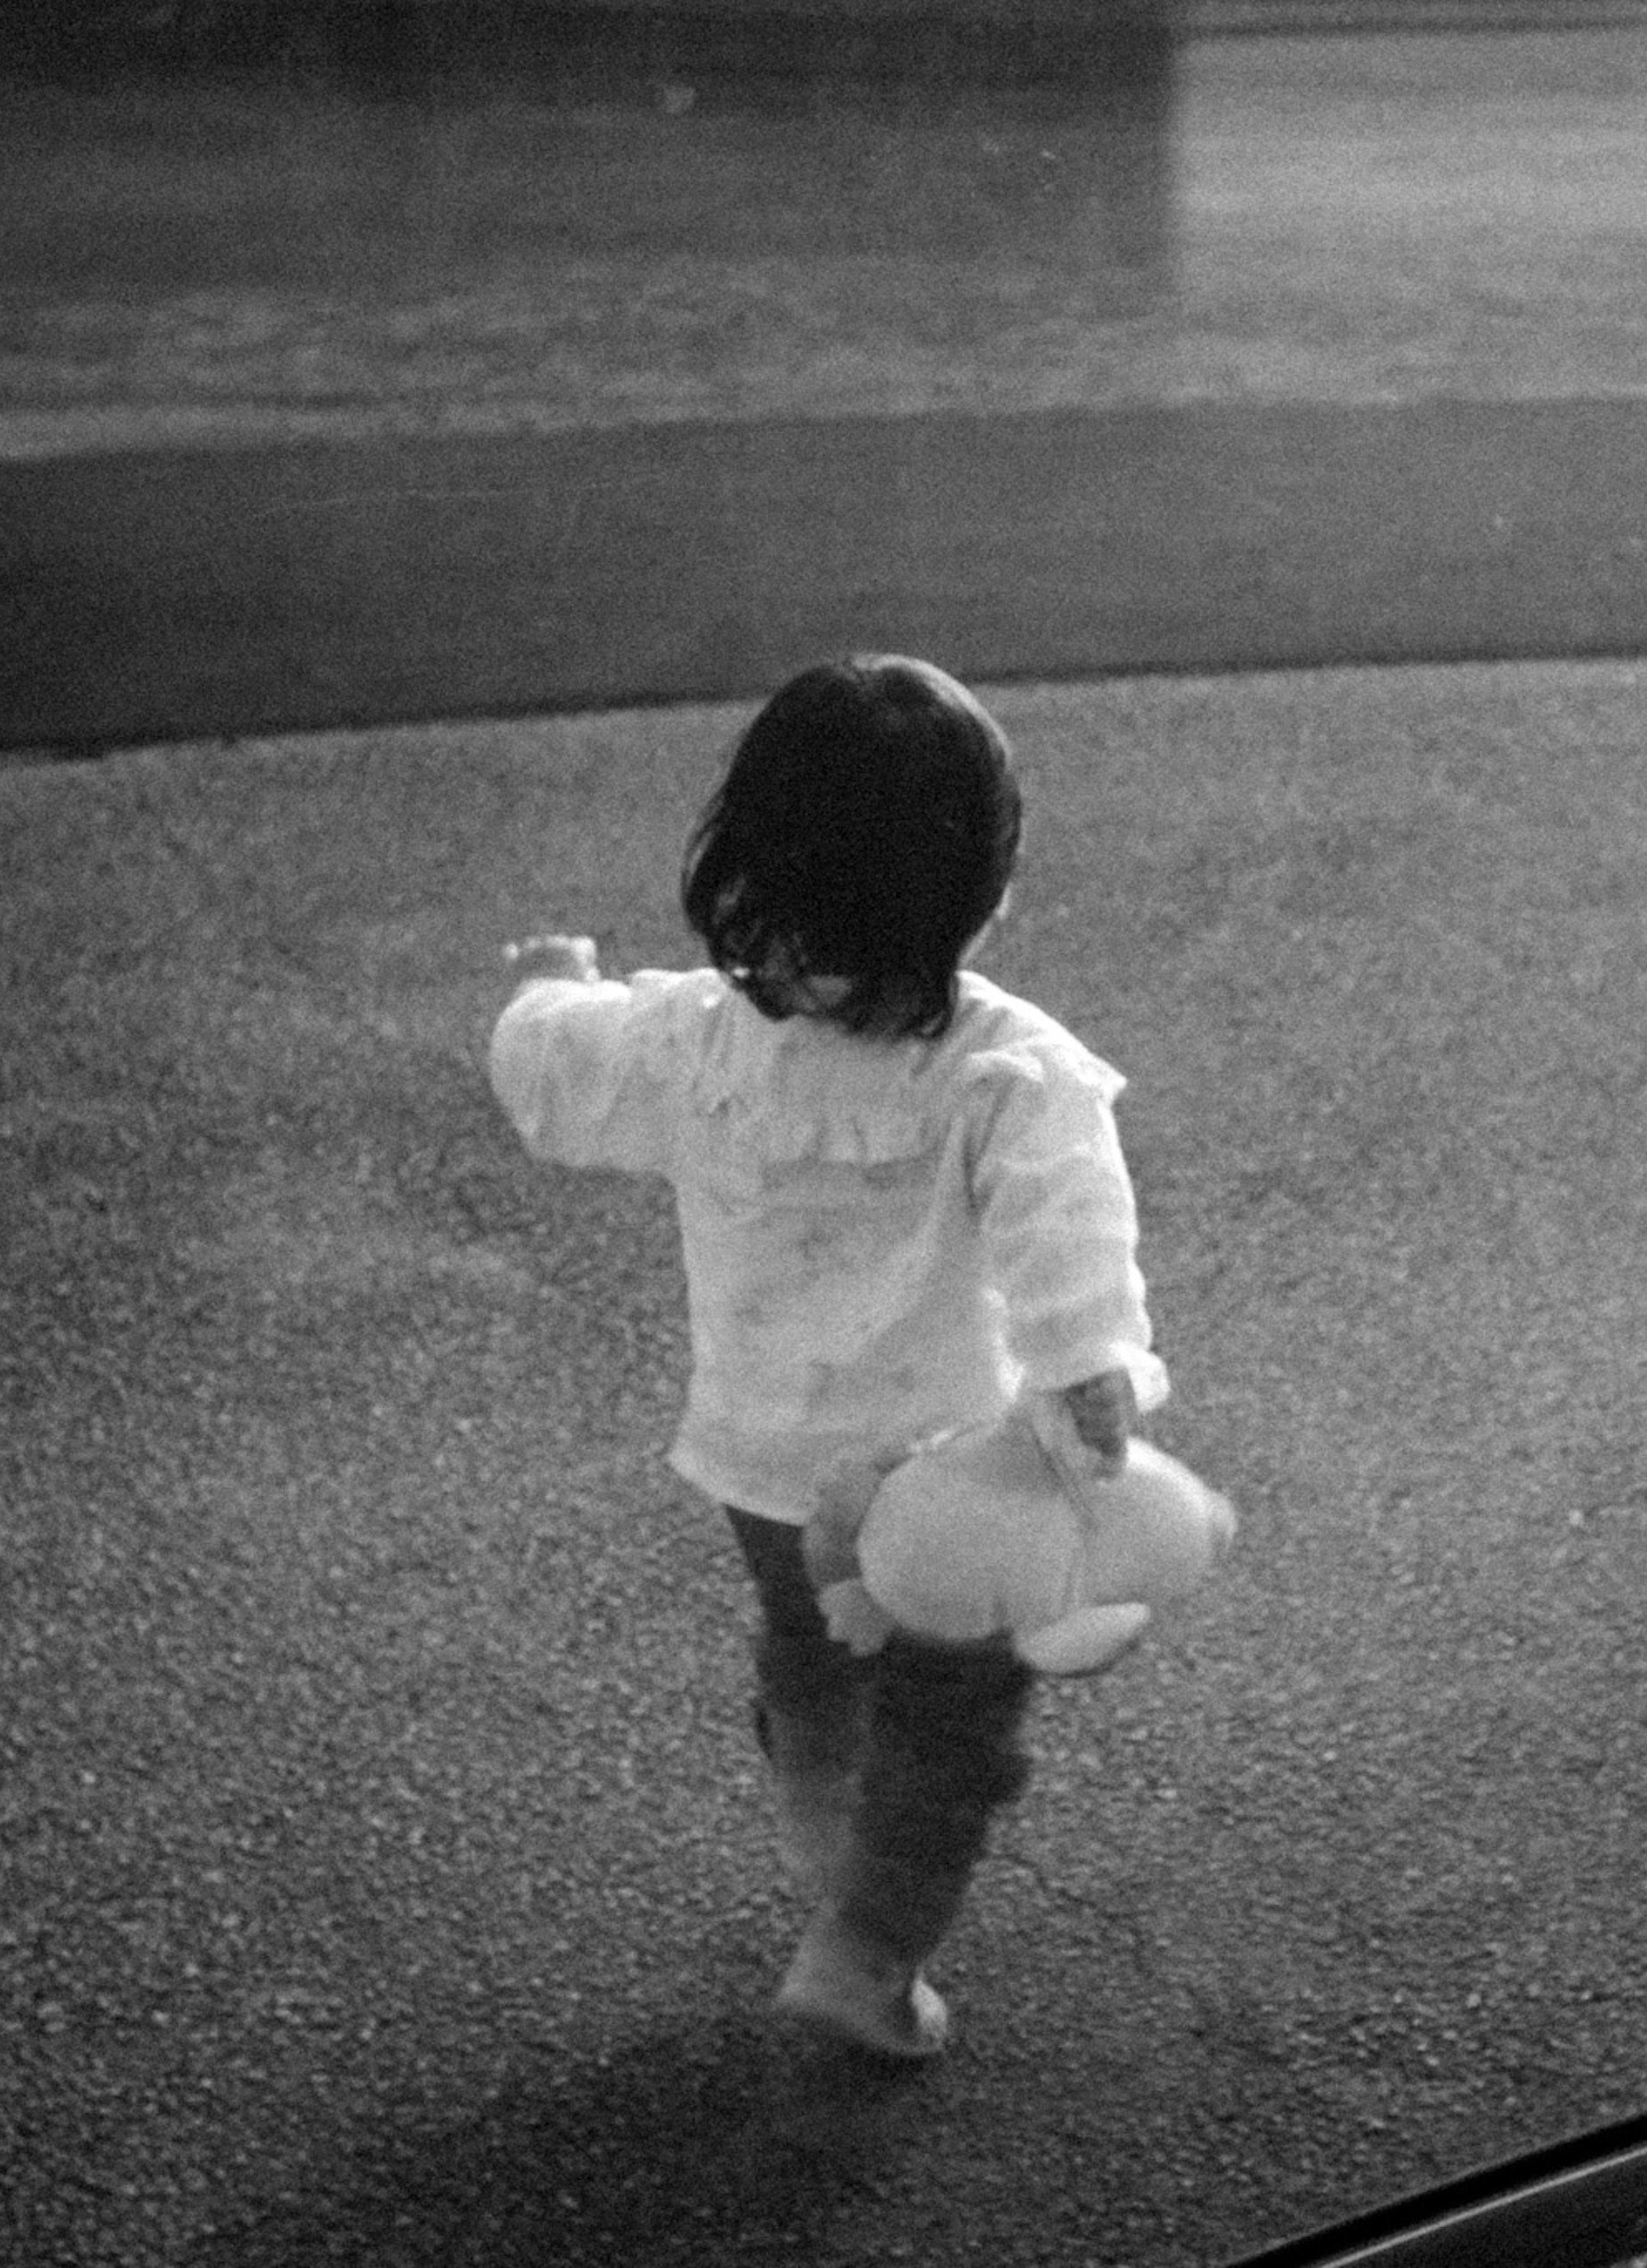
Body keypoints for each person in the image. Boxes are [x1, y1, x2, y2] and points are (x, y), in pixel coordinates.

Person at [488, 654, 1169, 2060]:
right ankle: (866, 1944)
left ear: (744, 859)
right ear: (985, 886)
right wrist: (1088, 1364)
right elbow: (1066, 1222)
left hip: (765, 1458)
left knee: (813, 1649)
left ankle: (822, 1834)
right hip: (949, 1475)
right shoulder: (1006, 1064)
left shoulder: (690, 1034)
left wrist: (550, 989)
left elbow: (557, 1074)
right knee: (959, 1721)